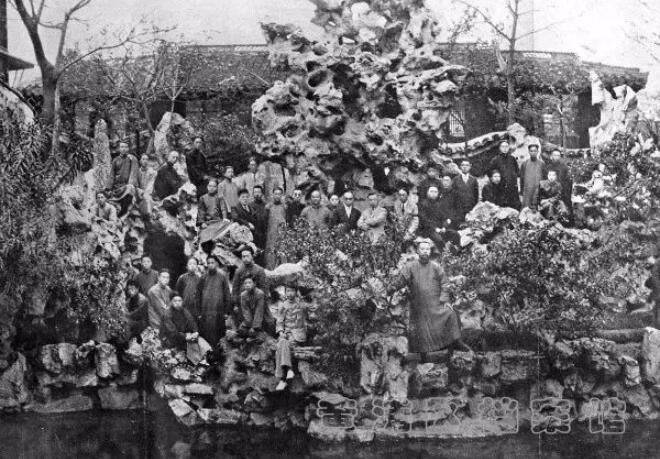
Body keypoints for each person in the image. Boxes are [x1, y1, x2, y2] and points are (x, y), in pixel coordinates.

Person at [388, 240, 471, 362]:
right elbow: (400, 281)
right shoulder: (410, 267)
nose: (425, 251)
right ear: (418, 251)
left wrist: (445, 300)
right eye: (422, 249)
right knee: (421, 329)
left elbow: (445, 283)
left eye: (427, 249)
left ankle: (456, 342)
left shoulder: (436, 267)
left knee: (451, 314)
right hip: (419, 306)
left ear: (430, 251)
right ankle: (424, 356)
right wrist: (391, 287)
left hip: (436, 304)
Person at [274, 286, 308, 391]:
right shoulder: (283, 305)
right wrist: (281, 332)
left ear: (296, 292)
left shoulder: (301, 304)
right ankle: (288, 371)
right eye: (288, 291)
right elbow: (279, 322)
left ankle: (282, 378)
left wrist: (301, 301)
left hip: (297, 334)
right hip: (286, 334)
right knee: (282, 342)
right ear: (285, 293)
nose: (290, 293)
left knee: (283, 345)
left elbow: (303, 321)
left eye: (292, 291)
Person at [197, 255, 231, 345]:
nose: (210, 265)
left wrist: (226, 311)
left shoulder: (222, 277)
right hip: (206, 310)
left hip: (218, 310)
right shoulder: (203, 277)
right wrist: (199, 312)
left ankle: (218, 351)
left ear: (216, 264)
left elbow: (227, 294)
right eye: (208, 263)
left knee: (218, 334)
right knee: (206, 333)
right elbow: (198, 295)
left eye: (212, 262)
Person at [418, 185, 456, 251]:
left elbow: (444, 218)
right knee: (439, 240)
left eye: (435, 192)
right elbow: (424, 220)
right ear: (427, 192)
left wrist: (444, 227)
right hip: (428, 229)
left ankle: (455, 252)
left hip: (440, 229)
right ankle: (445, 254)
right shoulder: (422, 204)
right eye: (431, 191)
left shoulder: (439, 204)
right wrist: (436, 229)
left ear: (438, 193)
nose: (433, 194)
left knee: (454, 234)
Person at [487, 140, 520, 209]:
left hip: (512, 189)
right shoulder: (495, 160)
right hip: (500, 189)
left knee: (515, 207)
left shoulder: (512, 159)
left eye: (506, 146)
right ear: (499, 148)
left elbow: (517, 172)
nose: (505, 148)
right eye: (503, 146)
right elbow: (489, 173)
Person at [265, 187, 287, 269]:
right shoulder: (268, 207)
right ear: (273, 195)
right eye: (276, 194)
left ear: (282, 195)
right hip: (271, 234)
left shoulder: (285, 207)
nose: (277, 196)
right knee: (271, 253)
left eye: (279, 194)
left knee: (282, 253)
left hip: (282, 234)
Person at [520, 144, 546, 210]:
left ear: (537, 152)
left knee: (537, 210)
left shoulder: (542, 164)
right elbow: (522, 178)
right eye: (531, 151)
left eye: (535, 151)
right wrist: (521, 192)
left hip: (538, 191)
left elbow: (545, 178)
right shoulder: (525, 163)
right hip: (527, 191)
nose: (533, 153)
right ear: (528, 152)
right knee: (526, 209)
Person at [251, 185, 269, 252]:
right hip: (253, 235)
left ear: (262, 194)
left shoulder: (266, 206)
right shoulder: (249, 205)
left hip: (264, 234)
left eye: (259, 192)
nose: (257, 194)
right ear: (253, 194)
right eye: (255, 192)